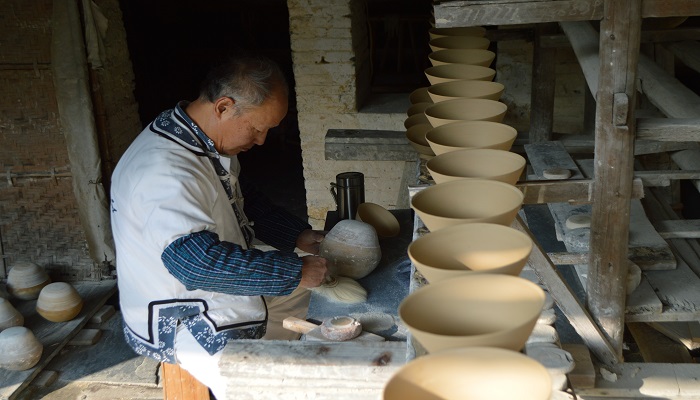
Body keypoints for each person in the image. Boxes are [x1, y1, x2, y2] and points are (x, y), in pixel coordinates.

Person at [110, 55, 328, 399]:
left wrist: (297, 235)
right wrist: (294, 270)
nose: (260, 141)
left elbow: (242, 197)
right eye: (258, 128)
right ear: (224, 107)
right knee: (255, 387)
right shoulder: (164, 170)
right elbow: (196, 264)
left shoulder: (199, 136)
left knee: (326, 292)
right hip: (184, 308)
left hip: (218, 282)